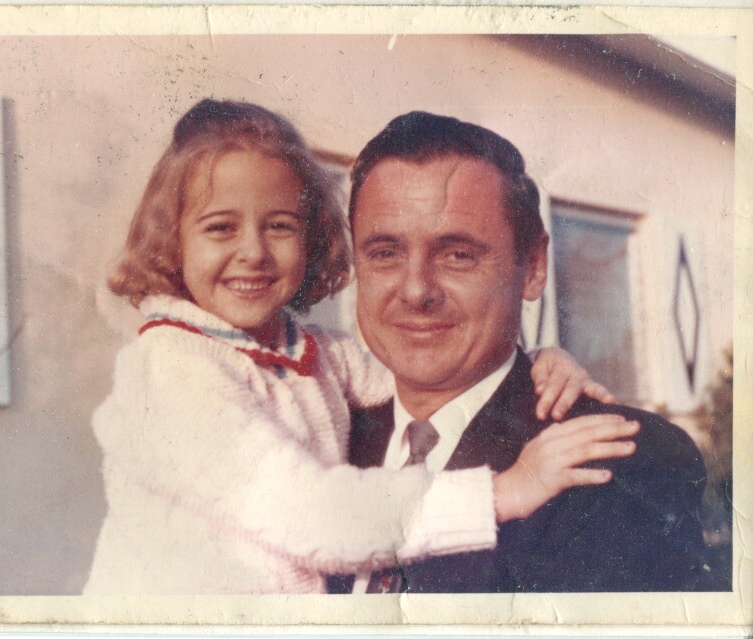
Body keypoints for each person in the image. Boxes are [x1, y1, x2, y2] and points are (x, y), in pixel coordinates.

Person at [83, 99, 639, 595]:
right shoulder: (168, 369)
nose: (253, 252)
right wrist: (499, 494)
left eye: (279, 225)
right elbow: (306, 515)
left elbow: (422, 371)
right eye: (220, 228)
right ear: (171, 241)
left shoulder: (310, 351)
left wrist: (540, 361)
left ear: (313, 237)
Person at [329, 111, 709, 593]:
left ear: (532, 268)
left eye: (457, 255)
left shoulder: (618, 462)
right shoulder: (323, 441)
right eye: (385, 253)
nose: (415, 290)